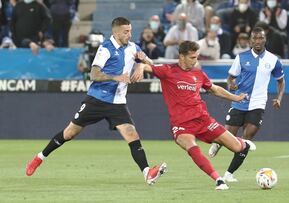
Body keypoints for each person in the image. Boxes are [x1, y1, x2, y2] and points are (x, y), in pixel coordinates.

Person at [25, 17, 167, 186]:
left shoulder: (133, 47)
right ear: (116, 32)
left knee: (132, 134)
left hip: (118, 103)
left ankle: (147, 173)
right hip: (97, 99)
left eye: (130, 31)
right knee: (70, 133)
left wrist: (142, 64)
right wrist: (116, 77)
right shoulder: (106, 48)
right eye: (126, 32)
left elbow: (151, 64)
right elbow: (94, 74)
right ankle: (39, 158)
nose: (130, 34)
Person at [132, 40, 256, 190]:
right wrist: (140, 67)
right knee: (192, 147)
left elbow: (214, 89)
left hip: (203, 120)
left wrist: (236, 98)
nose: (195, 61)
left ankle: (241, 142)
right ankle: (218, 180)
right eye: (192, 57)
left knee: (238, 148)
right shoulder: (167, 70)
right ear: (182, 56)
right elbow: (147, 66)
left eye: (196, 57)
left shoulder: (198, 74)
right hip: (181, 125)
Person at [208, 27, 285, 182]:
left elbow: (281, 81)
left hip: (258, 104)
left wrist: (279, 98)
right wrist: (232, 85)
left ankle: (229, 174)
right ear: (251, 40)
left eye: (260, 38)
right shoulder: (241, 57)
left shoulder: (273, 60)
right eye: (255, 38)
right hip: (240, 101)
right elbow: (230, 78)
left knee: (247, 140)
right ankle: (218, 143)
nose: (258, 41)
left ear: (265, 40)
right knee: (228, 136)